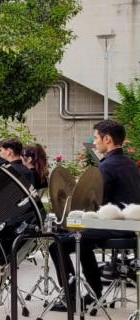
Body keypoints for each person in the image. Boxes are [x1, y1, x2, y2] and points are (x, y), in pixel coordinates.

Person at [49, 120, 140, 312]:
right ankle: (93, 294)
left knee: (57, 244)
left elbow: (95, 203)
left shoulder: (107, 167)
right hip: (130, 228)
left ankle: (71, 298)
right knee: (82, 243)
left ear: (107, 139)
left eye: (96, 137)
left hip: (114, 227)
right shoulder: (130, 165)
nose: (94, 142)